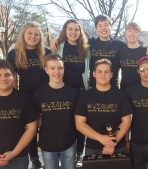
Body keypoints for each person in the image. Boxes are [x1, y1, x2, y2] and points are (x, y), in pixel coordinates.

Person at [0, 60, 38, 169]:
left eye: (7, 74)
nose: (3, 78)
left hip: (18, 159)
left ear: (13, 77)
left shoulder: (26, 100)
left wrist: (13, 153)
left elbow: (31, 129)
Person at [6, 22, 51, 169]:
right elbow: (10, 76)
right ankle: (34, 158)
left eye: (36, 34)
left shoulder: (47, 52)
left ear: (40, 37)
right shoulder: (14, 54)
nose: (33, 36)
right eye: (30, 33)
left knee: (46, 127)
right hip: (26, 97)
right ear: (23, 35)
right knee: (30, 129)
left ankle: (48, 156)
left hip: (46, 96)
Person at [75, 59, 132, 155]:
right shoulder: (85, 96)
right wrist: (101, 138)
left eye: (107, 72)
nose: (103, 74)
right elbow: (80, 124)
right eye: (99, 71)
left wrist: (112, 143)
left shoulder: (121, 95)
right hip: (92, 148)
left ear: (111, 74)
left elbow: (126, 121)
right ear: (93, 74)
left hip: (117, 147)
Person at [33, 54, 81, 169]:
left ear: (64, 69)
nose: (57, 72)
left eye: (60, 68)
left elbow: (78, 121)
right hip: (47, 144)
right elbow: (36, 121)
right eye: (52, 68)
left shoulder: (74, 93)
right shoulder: (38, 94)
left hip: (69, 143)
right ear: (46, 70)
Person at [53, 18, 89, 167]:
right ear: (65, 31)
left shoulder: (86, 48)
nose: (73, 32)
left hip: (80, 91)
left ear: (80, 32)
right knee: (64, 122)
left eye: (77, 29)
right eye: (70, 29)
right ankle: (63, 152)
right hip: (62, 90)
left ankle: (79, 153)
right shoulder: (58, 46)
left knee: (80, 123)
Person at [119, 22, 148, 90]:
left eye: (135, 32)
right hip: (124, 90)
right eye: (129, 31)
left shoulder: (145, 51)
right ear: (125, 33)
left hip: (141, 90)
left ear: (139, 34)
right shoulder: (120, 51)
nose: (132, 34)